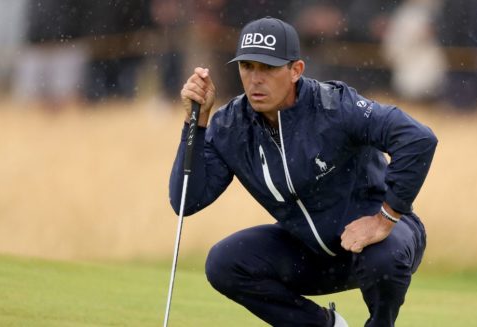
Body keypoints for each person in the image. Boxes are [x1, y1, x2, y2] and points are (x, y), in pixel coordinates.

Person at [171, 17, 437, 327]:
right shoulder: (231, 125)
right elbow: (186, 202)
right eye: (248, 67)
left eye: (268, 68)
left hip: (379, 243)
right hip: (310, 255)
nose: (256, 79)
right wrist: (196, 125)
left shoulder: (335, 106)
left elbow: (418, 138)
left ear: (296, 70)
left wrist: (385, 218)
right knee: (225, 263)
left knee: (383, 259)